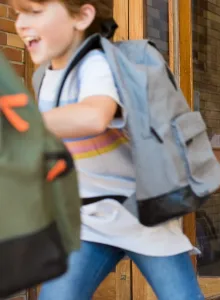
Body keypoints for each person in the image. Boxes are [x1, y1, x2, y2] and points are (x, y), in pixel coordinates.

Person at [13, 0, 203, 299]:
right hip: (88, 220)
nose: (21, 23)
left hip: (139, 216)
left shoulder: (97, 63)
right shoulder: (46, 76)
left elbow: (94, 115)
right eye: (17, 13)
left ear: (82, 17)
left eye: (34, 12)